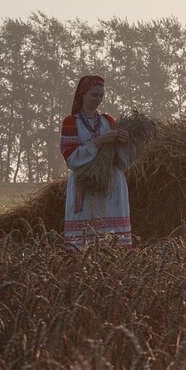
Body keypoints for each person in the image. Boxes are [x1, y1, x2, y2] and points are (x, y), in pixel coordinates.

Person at [60, 75, 133, 248]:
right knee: (85, 242)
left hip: (111, 185)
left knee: (113, 241)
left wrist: (125, 143)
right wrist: (98, 142)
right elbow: (71, 159)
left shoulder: (108, 121)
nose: (98, 100)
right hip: (85, 185)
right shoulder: (71, 123)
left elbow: (122, 163)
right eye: (94, 95)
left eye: (101, 96)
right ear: (82, 95)